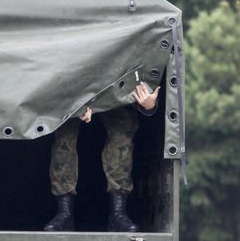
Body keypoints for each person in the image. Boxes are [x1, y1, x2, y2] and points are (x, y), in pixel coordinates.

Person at [44, 82, 159, 233]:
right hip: (72, 92)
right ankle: (64, 212)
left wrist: (150, 105)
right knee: (64, 137)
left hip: (116, 89)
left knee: (122, 131)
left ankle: (118, 213)